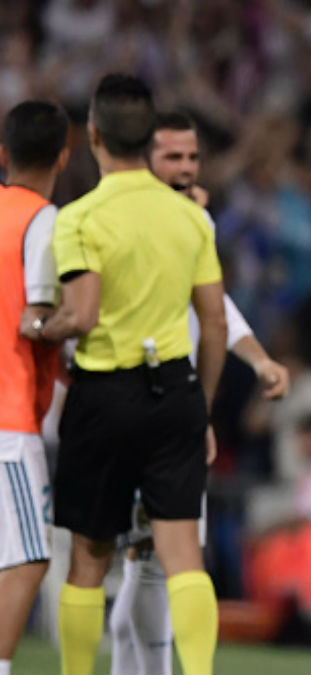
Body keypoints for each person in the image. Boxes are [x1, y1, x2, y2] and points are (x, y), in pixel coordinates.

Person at [20, 74, 227, 675]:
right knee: (183, 552)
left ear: (93, 136)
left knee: (88, 556)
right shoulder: (190, 218)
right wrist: (203, 407)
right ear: (147, 139)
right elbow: (212, 324)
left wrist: (35, 329)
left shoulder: (79, 218)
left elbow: (80, 315)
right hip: (176, 391)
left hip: (106, 392)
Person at [107, 109, 293, 675]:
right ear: (146, 159)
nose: (186, 167)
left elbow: (214, 310)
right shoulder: (116, 218)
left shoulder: (197, 224)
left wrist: (258, 359)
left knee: (152, 566)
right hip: (129, 404)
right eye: (173, 157)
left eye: (192, 157)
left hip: (179, 409)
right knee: (144, 563)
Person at [0, 100, 69, 675]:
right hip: (9, 413)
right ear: (64, 156)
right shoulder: (45, 220)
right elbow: (38, 317)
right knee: (29, 557)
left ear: (3, 153)